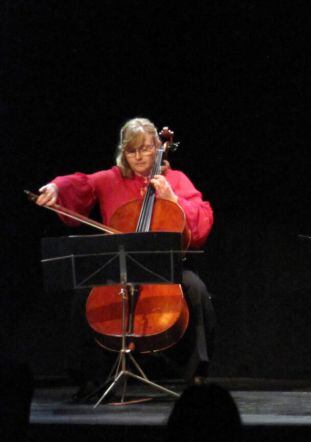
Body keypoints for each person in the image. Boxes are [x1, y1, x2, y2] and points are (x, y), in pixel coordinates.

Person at [36, 117, 216, 393]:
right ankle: (87, 377)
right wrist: (56, 187)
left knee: (196, 288)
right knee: (84, 294)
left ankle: (197, 375)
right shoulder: (111, 179)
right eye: (131, 151)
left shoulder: (175, 180)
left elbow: (202, 221)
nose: (139, 156)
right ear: (124, 152)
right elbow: (80, 183)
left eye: (145, 149)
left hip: (163, 270)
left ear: (157, 148)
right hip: (119, 269)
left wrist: (173, 200)